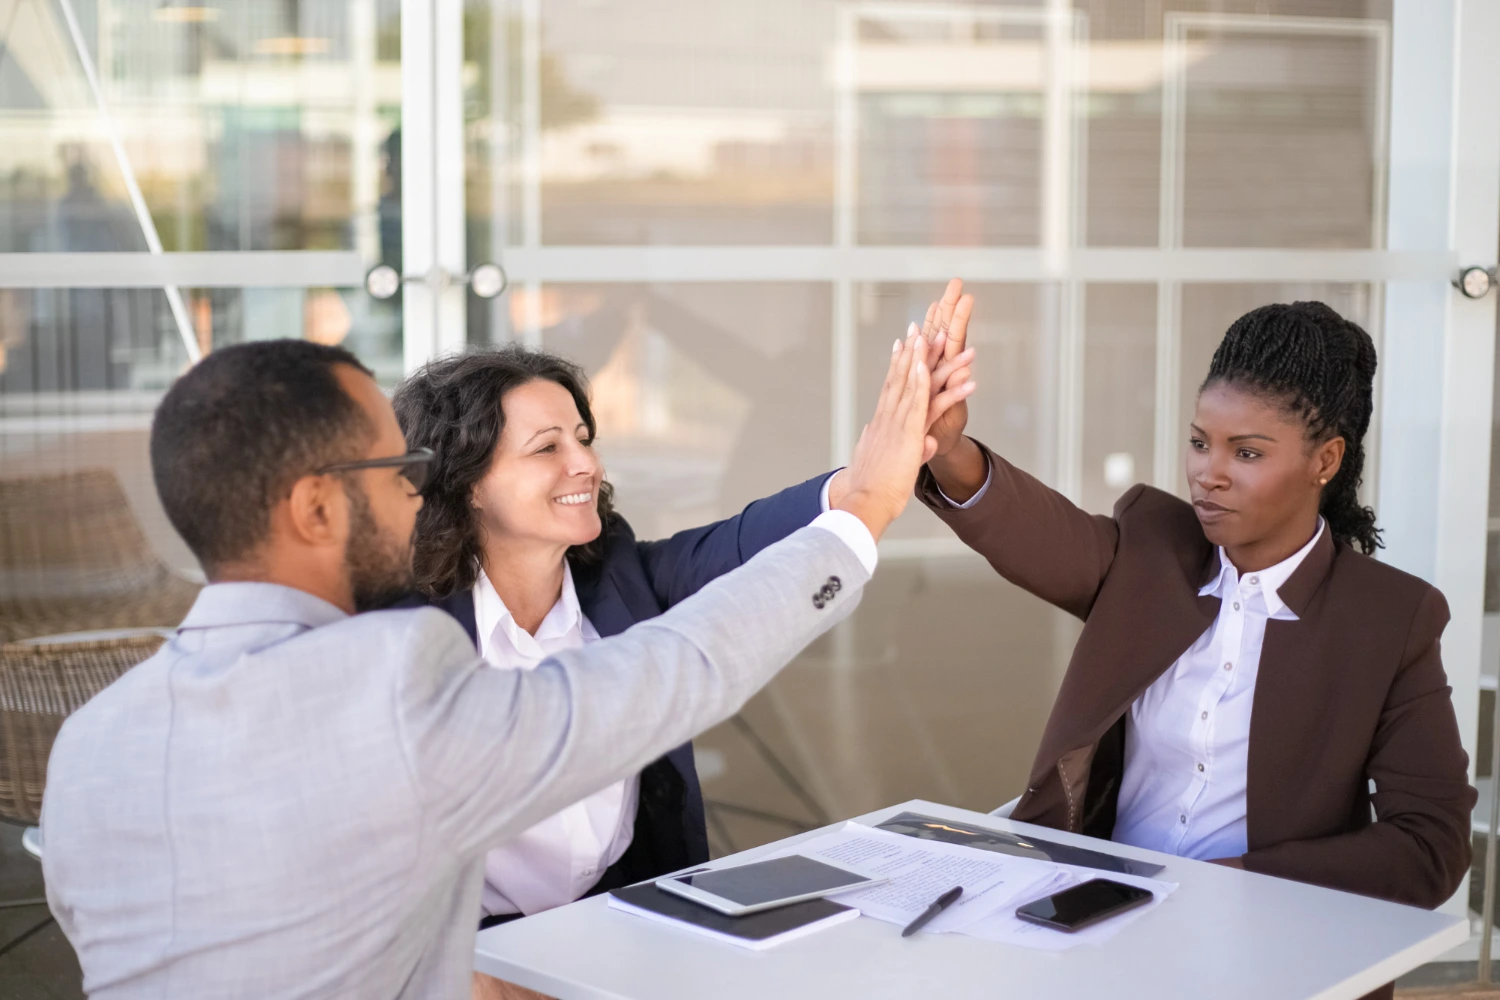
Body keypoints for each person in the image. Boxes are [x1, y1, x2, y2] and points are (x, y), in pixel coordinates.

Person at [41, 330, 947, 999]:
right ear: (317, 510)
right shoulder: (389, 677)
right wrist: (863, 508)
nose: (411, 484)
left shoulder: (89, 746)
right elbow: (676, 670)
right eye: (392, 466)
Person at [915, 288, 1474, 935]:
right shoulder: (1151, 547)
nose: (1209, 473)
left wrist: (1228, 883)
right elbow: (1035, 531)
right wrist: (950, 448)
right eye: (1200, 443)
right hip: (1093, 922)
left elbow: (1431, 845)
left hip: (1264, 938)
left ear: (1326, 460)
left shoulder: (1388, 619)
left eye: (1247, 453)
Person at [388, 342, 973, 935]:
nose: (586, 464)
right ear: (466, 484)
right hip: (463, 958)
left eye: (583, 438)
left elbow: (742, 545)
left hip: (621, 928)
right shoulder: (401, 631)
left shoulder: (615, 573)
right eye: (547, 447)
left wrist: (866, 481)